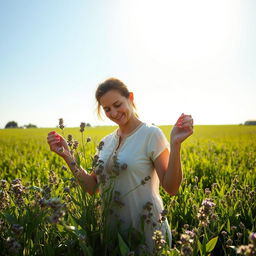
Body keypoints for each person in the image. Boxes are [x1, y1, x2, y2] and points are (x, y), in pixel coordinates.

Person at [47, 77, 193, 253]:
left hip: (147, 229)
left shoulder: (151, 134)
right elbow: (93, 188)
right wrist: (67, 156)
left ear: (130, 98)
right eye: (107, 109)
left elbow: (171, 188)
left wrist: (176, 145)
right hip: (111, 232)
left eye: (117, 105)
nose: (113, 113)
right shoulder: (105, 142)